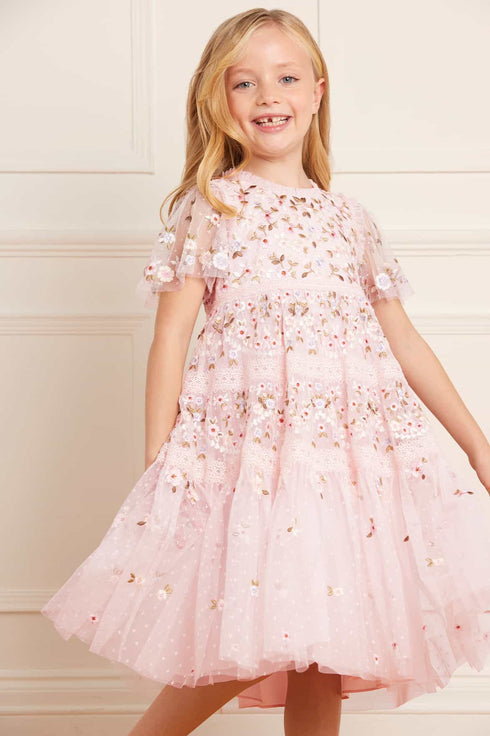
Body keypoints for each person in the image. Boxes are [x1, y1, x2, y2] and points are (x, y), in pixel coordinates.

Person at [41, 8, 490, 736]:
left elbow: (404, 341)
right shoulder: (212, 207)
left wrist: (476, 445)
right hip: (250, 460)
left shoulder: (350, 220)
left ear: (317, 92)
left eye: (285, 78)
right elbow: (170, 337)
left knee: (327, 642)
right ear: (218, 100)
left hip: (343, 461)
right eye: (243, 82)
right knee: (256, 633)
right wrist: (160, 456)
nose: (267, 96)